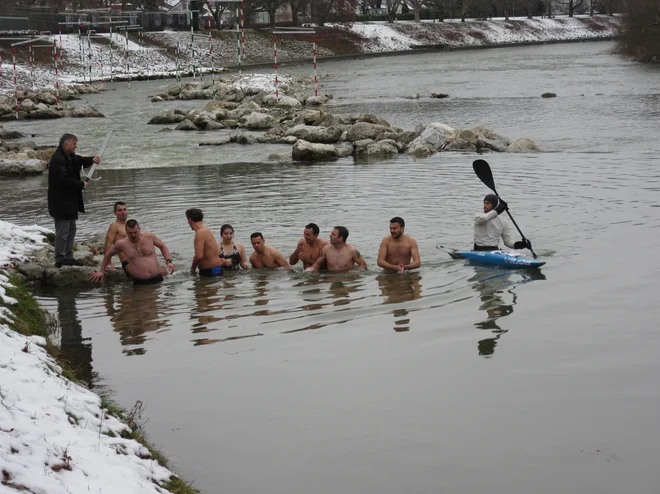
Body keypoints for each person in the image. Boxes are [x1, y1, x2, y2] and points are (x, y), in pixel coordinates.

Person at [47, 133, 100, 267]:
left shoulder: (68, 156)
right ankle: (60, 259)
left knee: (71, 230)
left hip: (69, 201)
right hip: (60, 203)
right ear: (66, 145)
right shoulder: (58, 159)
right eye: (74, 144)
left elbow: (79, 160)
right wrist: (81, 185)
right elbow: (63, 180)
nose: (76, 146)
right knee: (62, 232)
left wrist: (91, 160)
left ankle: (68, 256)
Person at [90, 219, 175, 285]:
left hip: (157, 279)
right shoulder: (122, 243)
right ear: (126, 231)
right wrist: (101, 271)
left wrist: (168, 261)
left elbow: (162, 246)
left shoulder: (149, 236)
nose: (133, 235)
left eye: (135, 232)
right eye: (130, 233)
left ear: (139, 229)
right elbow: (109, 253)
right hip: (139, 283)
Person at [186, 208, 224, 277]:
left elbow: (198, 256)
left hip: (209, 270)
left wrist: (192, 270)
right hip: (217, 268)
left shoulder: (200, 233)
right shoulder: (206, 230)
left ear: (189, 220)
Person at [104, 201, 131, 274]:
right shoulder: (114, 226)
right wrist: (109, 263)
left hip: (137, 258)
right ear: (114, 212)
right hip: (127, 261)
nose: (123, 212)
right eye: (120, 210)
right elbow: (107, 245)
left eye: (124, 209)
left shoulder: (129, 224)